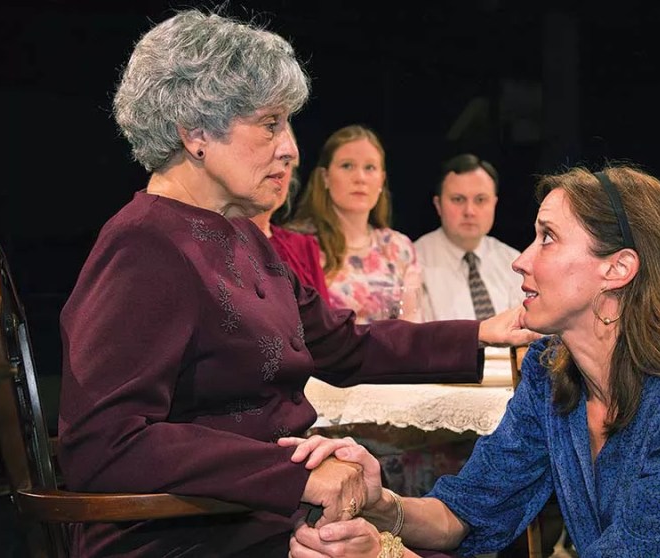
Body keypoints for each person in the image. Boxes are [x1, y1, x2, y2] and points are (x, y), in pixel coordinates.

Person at [56, 9, 536, 557]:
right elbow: (104, 442)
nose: (291, 148)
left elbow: (341, 344)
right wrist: (296, 476)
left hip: (259, 514)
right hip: (186, 532)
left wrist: (481, 333)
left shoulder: (242, 233)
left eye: (287, 124)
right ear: (195, 135)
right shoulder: (144, 244)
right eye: (269, 124)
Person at [286, 164, 660, 557]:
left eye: (548, 238)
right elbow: (467, 511)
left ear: (617, 268)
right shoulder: (551, 374)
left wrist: (385, 554)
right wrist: (382, 507)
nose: (522, 260)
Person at [289, 125, 422, 324]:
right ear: (325, 177)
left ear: (382, 180)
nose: (360, 178)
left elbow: (414, 327)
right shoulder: (297, 245)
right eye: (347, 166)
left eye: (369, 168)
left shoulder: (399, 247)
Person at [415, 154, 523, 321]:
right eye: (458, 199)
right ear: (438, 205)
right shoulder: (415, 262)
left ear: (494, 203)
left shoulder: (514, 262)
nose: (469, 211)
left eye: (480, 200)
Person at [249, 126, 330, 301]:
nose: (280, 173)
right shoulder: (221, 241)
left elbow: (326, 324)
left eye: (287, 164)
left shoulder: (304, 246)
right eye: (270, 161)